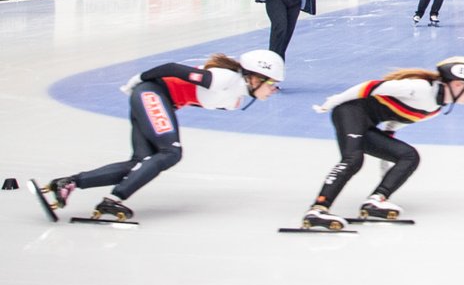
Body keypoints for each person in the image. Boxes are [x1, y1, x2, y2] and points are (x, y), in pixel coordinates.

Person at [34, 49, 284, 222]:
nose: (274, 90)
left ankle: (68, 183)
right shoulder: (224, 78)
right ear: (254, 77)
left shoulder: (235, 98)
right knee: (171, 151)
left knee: (139, 163)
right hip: (151, 92)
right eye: (272, 84)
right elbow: (173, 69)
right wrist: (138, 80)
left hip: (156, 99)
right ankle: (113, 199)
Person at [300, 55, 464, 231]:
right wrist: (333, 101)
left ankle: (376, 200)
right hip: (349, 111)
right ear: (457, 84)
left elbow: (393, 123)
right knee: (353, 159)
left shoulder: (435, 107)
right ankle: (317, 209)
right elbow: (371, 86)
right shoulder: (420, 88)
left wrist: (386, 159)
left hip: (367, 124)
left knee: (409, 156)